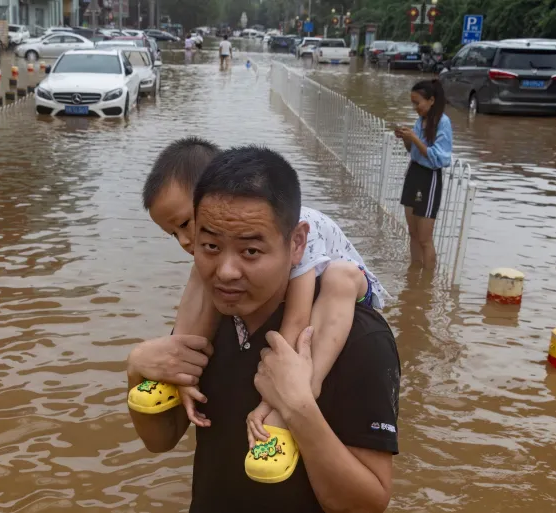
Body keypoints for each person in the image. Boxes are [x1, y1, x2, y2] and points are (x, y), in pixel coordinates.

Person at [127, 145, 400, 512]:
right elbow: (160, 439)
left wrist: (298, 408)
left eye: (250, 251)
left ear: (296, 243)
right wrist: (136, 367)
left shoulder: (358, 339)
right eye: (209, 245)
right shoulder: (213, 315)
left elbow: (367, 505)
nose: (226, 271)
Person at [394, 79, 452, 269]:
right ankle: (414, 276)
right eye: (413, 103)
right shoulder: (421, 120)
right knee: (412, 233)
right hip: (414, 173)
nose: (415, 108)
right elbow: (413, 151)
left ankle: (426, 285)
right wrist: (405, 138)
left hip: (429, 178)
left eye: (417, 103)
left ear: (432, 100)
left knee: (425, 238)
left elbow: (439, 159)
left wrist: (416, 139)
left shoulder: (443, 123)